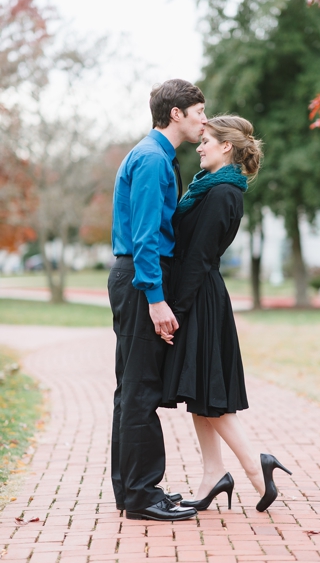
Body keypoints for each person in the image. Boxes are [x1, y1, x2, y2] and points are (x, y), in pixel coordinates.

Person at [161, 115, 291, 512]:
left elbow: (199, 257)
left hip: (199, 298)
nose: (199, 147)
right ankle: (213, 474)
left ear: (226, 148)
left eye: (207, 141)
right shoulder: (209, 187)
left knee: (211, 399)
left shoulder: (223, 194)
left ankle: (256, 468)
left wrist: (175, 311)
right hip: (197, 294)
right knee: (199, 394)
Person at [108, 79, 207, 521]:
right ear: (176, 114)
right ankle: (141, 495)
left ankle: (132, 490)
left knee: (131, 390)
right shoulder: (151, 160)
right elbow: (147, 236)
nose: (204, 120)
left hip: (137, 276)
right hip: (140, 278)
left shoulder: (154, 156)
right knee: (141, 391)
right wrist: (155, 297)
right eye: (199, 112)